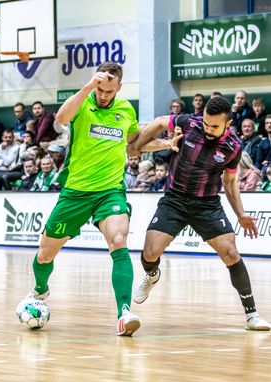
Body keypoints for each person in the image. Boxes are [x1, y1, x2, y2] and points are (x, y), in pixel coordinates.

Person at [21, 62, 181, 337]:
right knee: (45, 253)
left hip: (110, 191)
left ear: (119, 87)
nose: (105, 95)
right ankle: (40, 289)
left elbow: (134, 144)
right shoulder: (83, 103)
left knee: (119, 241)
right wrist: (88, 86)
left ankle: (124, 313)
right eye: (101, 89)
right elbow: (60, 117)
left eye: (110, 90)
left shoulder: (125, 109)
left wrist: (166, 144)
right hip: (76, 191)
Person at [130, 96, 270, 331]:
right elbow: (160, 121)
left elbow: (230, 181)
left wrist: (241, 214)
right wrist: (137, 146)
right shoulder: (189, 123)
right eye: (205, 123)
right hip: (174, 200)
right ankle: (152, 275)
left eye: (214, 126)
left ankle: (252, 315)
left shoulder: (233, 147)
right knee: (150, 252)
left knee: (231, 253)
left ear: (228, 124)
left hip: (207, 205)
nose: (207, 128)